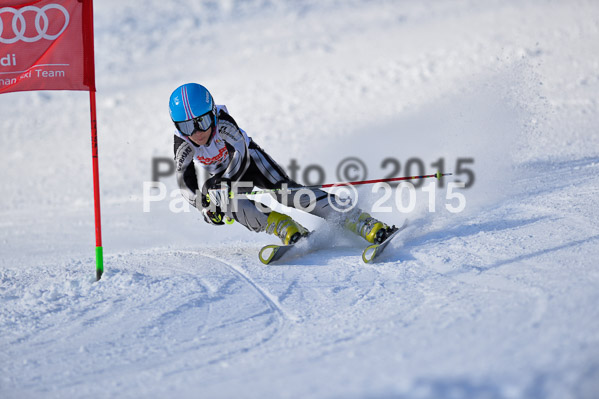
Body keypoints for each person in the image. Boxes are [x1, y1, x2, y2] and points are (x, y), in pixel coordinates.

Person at [169, 83, 395, 245]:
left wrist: (226, 181)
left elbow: (241, 153)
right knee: (224, 200)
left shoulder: (224, 123)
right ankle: (283, 226)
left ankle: (361, 221)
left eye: (203, 121)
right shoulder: (183, 145)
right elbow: (184, 183)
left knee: (288, 194)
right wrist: (205, 206)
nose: (197, 132)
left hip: (250, 162)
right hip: (220, 177)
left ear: (213, 114)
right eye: (187, 127)